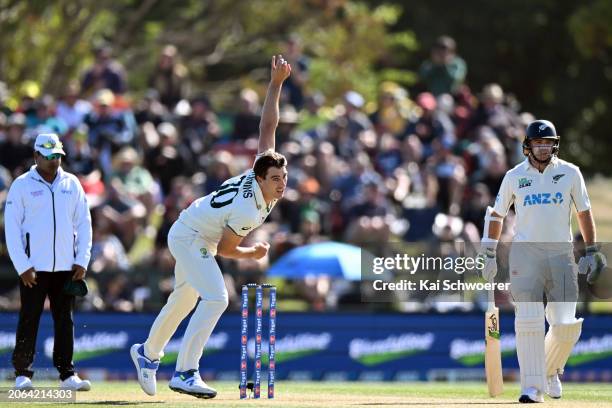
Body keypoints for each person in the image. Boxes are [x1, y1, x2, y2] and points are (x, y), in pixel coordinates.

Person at [130, 55, 291, 399]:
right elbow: (229, 250)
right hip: (190, 237)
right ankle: (185, 372)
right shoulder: (249, 208)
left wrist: (276, 84)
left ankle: (147, 353)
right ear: (261, 178)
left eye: (285, 177)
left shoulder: (260, 169)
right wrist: (256, 252)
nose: (282, 184)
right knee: (217, 297)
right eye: (276, 179)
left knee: (183, 301)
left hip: (191, 231)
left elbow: (267, 128)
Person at [479, 120, 606, 402]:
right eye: (538, 143)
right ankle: (532, 388)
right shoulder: (514, 176)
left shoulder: (570, 173)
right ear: (528, 146)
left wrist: (592, 249)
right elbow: (497, 214)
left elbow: (584, 213)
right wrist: (488, 251)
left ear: (554, 144)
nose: (544, 147)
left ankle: (550, 370)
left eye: (548, 142)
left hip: (561, 253)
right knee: (529, 321)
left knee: (566, 325)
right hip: (526, 254)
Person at [4, 133, 93, 391]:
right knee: (29, 317)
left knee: (64, 319)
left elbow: (84, 224)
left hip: (66, 267)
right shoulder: (21, 185)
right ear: (36, 156)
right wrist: (23, 266)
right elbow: (12, 229)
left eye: (57, 156)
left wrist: (82, 259)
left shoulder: (72, 183)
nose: (54, 161)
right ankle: (23, 374)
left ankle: (67, 375)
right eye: (49, 156)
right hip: (33, 268)